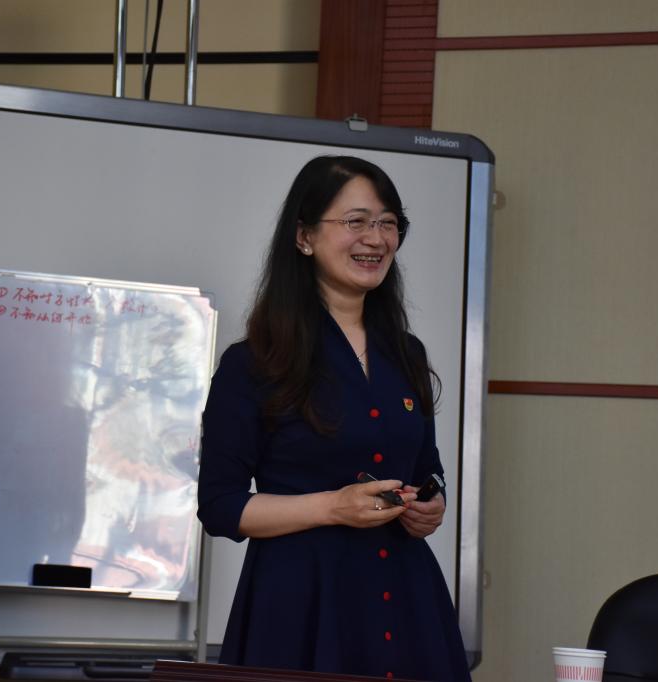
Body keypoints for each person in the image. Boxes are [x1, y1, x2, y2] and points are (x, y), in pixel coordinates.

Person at [197, 155, 471, 681]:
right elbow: (221, 506)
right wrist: (332, 507)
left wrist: (429, 506)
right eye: (356, 221)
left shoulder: (406, 354)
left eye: (388, 223)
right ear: (304, 237)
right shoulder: (254, 361)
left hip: (407, 601)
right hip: (300, 604)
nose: (376, 238)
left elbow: (426, 469)